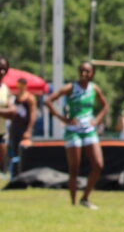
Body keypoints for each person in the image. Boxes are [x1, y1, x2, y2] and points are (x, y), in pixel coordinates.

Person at [44, 61, 109, 209]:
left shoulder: (94, 89)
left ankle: (85, 198)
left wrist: (97, 120)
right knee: (74, 168)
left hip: (89, 130)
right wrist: (63, 119)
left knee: (98, 165)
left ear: (92, 73)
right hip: (73, 131)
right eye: (82, 70)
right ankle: (73, 204)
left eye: (87, 71)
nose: (84, 74)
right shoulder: (71, 87)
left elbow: (105, 105)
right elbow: (48, 101)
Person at [8, 78, 38, 176]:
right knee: (15, 151)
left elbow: (33, 114)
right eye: (19, 84)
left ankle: (26, 172)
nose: (20, 86)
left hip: (25, 129)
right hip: (15, 128)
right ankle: (15, 173)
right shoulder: (15, 98)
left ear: (26, 85)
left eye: (22, 84)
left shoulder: (30, 98)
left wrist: (28, 130)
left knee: (25, 150)